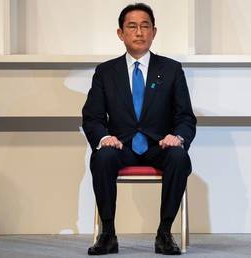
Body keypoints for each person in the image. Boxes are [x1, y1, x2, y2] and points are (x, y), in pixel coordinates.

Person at [82, 3, 196, 255]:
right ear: (120, 33)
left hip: (159, 146)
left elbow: (186, 117)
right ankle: (108, 234)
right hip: (120, 145)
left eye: (145, 26)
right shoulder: (105, 72)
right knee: (102, 156)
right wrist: (104, 137)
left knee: (179, 156)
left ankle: (164, 233)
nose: (139, 32)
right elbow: (92, 117)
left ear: (154, 32)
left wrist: (177, 137)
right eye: (132, 26)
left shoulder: (171, 70)